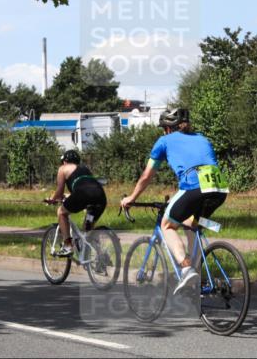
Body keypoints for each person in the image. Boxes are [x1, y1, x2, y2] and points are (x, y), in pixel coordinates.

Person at [120, 108, 229, 293]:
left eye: (163, 128)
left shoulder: (164, 141)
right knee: (192, 224)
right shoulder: (202, 138)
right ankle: (196, 277)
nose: (163, 132)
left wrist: (131, 198)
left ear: (168, 129)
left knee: (167, 225)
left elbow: (146, 176)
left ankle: (186, 268)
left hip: (194, 186)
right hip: (219, 188)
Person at [48, 149, 107, 256]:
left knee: (61, 212)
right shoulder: (84, 169)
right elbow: (86, 186)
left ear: (65, 161)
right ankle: (101, 255)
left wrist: (52, 199)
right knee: (87, 228)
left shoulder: (63, 168)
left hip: (83, 194)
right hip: (99, 195)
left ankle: (67, 246)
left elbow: (59, 191)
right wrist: (68, 196)